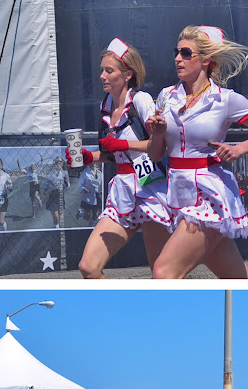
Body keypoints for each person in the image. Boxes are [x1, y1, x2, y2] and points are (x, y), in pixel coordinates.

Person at [146, 25, 248, 279]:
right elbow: (155, 155)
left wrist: (239, 149)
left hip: (209, 195)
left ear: (206, 60)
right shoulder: (166, 96)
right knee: (241, 280)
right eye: (177, 52)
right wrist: (159, 132)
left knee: (164, 273)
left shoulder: (225, 99)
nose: (177, 58)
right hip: (178, 194)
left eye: (186, 53)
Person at [71, 38, 173, 278]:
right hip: (123, 191)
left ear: (127, 74)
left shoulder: (141, 100)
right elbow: (112, 154)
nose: (102, 76)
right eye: (102, 71)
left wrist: (124, 143)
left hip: (151, 187)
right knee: (88, 266)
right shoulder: (105, 106)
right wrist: (89, 157)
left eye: (109, 70)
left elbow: (161, 146)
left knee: (162, 274)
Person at [77, 161, 103, 225]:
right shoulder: (85, 173)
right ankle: (80, 214)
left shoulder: (100, 173)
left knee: (95, 215)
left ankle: (90, 228)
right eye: (92, 162)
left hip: (96, 196)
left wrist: (101, 191)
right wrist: (84, 189)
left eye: (95, 162)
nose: (94, 163)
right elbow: (80, 184)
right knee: (87, 217)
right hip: (87, 196)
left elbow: (101, 185)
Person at [0, 155, 13, 231]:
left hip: (3, 198)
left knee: (1, 221)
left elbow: (11, 186)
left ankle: (4, 232)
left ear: (1, 164)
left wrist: (9, 187)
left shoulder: (6, 175)